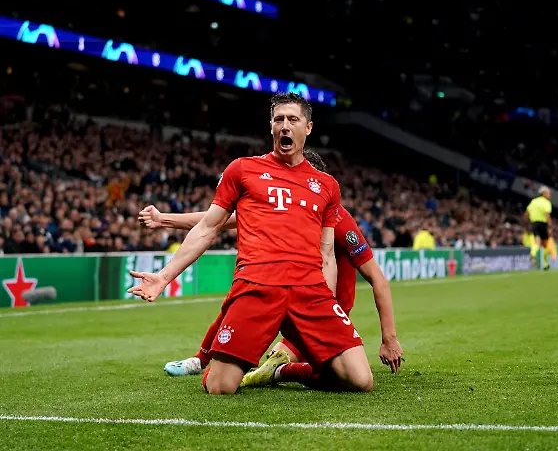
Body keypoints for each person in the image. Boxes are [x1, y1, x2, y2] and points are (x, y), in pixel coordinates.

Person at [127, 92, 373, 394]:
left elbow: (327, 254)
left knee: (361, 379)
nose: (285, 125)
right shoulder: (242, 170)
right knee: (222, 387)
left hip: (310, 291)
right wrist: (164, 277)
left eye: (293, 119)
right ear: (271, 126)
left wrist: (328, 299)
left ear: (308, 128)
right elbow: (208, 227)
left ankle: (283, 372)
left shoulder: (326, 185)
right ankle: (212, 367)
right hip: (257, 286)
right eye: (279, 119)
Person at [140, 150, 403, 382]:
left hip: (318, 306)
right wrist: (165, 220)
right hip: (276, 289)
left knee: (284, 362)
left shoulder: (338, 220)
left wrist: (389, 338)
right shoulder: (281, 206)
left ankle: (279, 373)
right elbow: (219, 219)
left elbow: (375, 278)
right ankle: (202, 359)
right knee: (239, 300)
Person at [524, 187, 556, 270]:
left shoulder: (533, 201)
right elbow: (547, 214)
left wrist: (529, 221)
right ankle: (545, 264)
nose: (550, 195)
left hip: (534, 223)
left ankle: (533, 253)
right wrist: (550, 225)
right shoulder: (546, 202)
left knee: (537, 242)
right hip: (543, 224)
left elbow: (526, 213)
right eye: (548, 193)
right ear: (544, 194)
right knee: (546, 244)